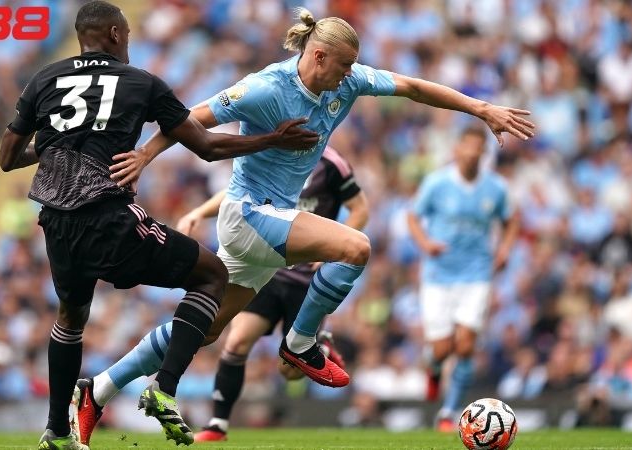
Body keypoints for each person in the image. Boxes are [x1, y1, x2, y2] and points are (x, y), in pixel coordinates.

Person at [71, 6, 533, 444]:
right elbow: (191, 119)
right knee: (356, 247)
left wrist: (482, 109)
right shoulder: (267, 87)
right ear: (318, 55)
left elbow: (412, 86)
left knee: (205, 329)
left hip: (266, 224)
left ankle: (99, 390)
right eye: (345, 65)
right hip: (248, 213)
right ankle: (301, 342)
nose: (351, 74)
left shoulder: (347, 83)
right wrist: (145, 157)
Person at [0, 1, 318, 448]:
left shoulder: (44, 78)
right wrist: (271, 139)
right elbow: (205, 146)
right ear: (113, 33)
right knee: (212, 275)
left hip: (55, 222)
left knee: (70, 318)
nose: (128, 41)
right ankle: (164, 388)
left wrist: (57, 144)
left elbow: (7, 158)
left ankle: (56, 431)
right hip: (106, 215)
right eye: (126, 34)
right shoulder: (140, 82)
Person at [176, 146, 368, 442]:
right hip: (268, 271)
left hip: (307, 280)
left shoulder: (333, 162)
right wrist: (199, 212)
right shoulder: (272, 152)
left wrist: (335, 249)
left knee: (289, 372)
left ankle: (322, 347)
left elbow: (361, 208)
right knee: (237, 341)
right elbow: (236, 193)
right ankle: (218, 425)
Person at [406, 126, 520, 431]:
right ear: (456, 150)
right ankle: (433, 368)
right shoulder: (437, 183)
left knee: (466, 345)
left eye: (476, 148)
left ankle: (449, 412)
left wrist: (505, 248)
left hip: (477, 274)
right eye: (466, 147)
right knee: (442, 349)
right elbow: (413, 216)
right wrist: (426, 244)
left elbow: (511, 220)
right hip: (439, 275)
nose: (470, 153)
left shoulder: (496, 188)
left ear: (483, 153)